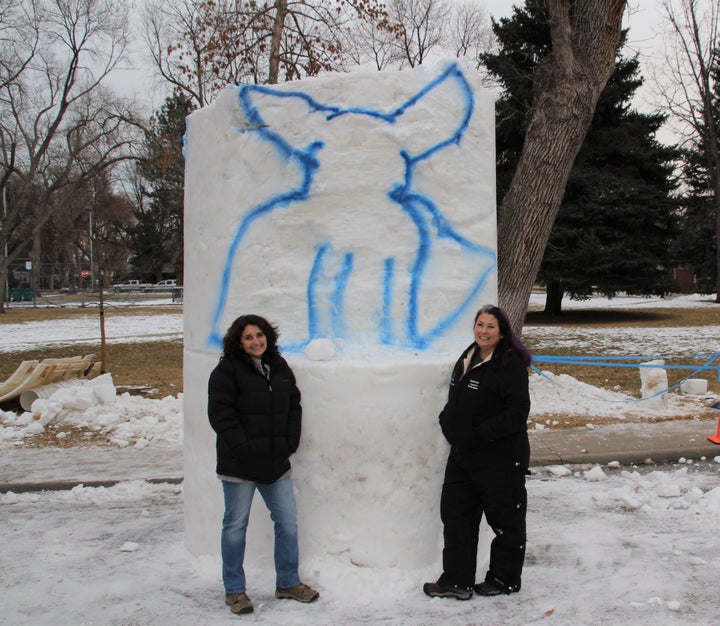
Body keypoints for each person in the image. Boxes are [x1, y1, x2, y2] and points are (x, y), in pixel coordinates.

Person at [208, 314, 319, 615]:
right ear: (238, 341)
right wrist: (244, 449)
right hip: (239, 465)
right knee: (235, 526)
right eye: (248, 337)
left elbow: (293, 407)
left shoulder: (279, 368)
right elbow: (222, 417)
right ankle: (234, 590)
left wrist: (288, 444)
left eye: (259, 334)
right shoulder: (226, 371)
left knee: (287, 523)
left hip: (275, 463)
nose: (255, 341)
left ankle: (287, 582)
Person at [424, 304, 532, 601]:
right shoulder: (469, 356)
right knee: (457, 518)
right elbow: (456, 398)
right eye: (480, 324)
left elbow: (517, 412)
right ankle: (456, 581)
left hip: (499, 458)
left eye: (490, 327)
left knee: (505, 522)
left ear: (502, 332)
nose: (483, 331)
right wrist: (448, 423)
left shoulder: (509, 364)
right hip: (463, 456)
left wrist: (478, 435)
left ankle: (503, 578)